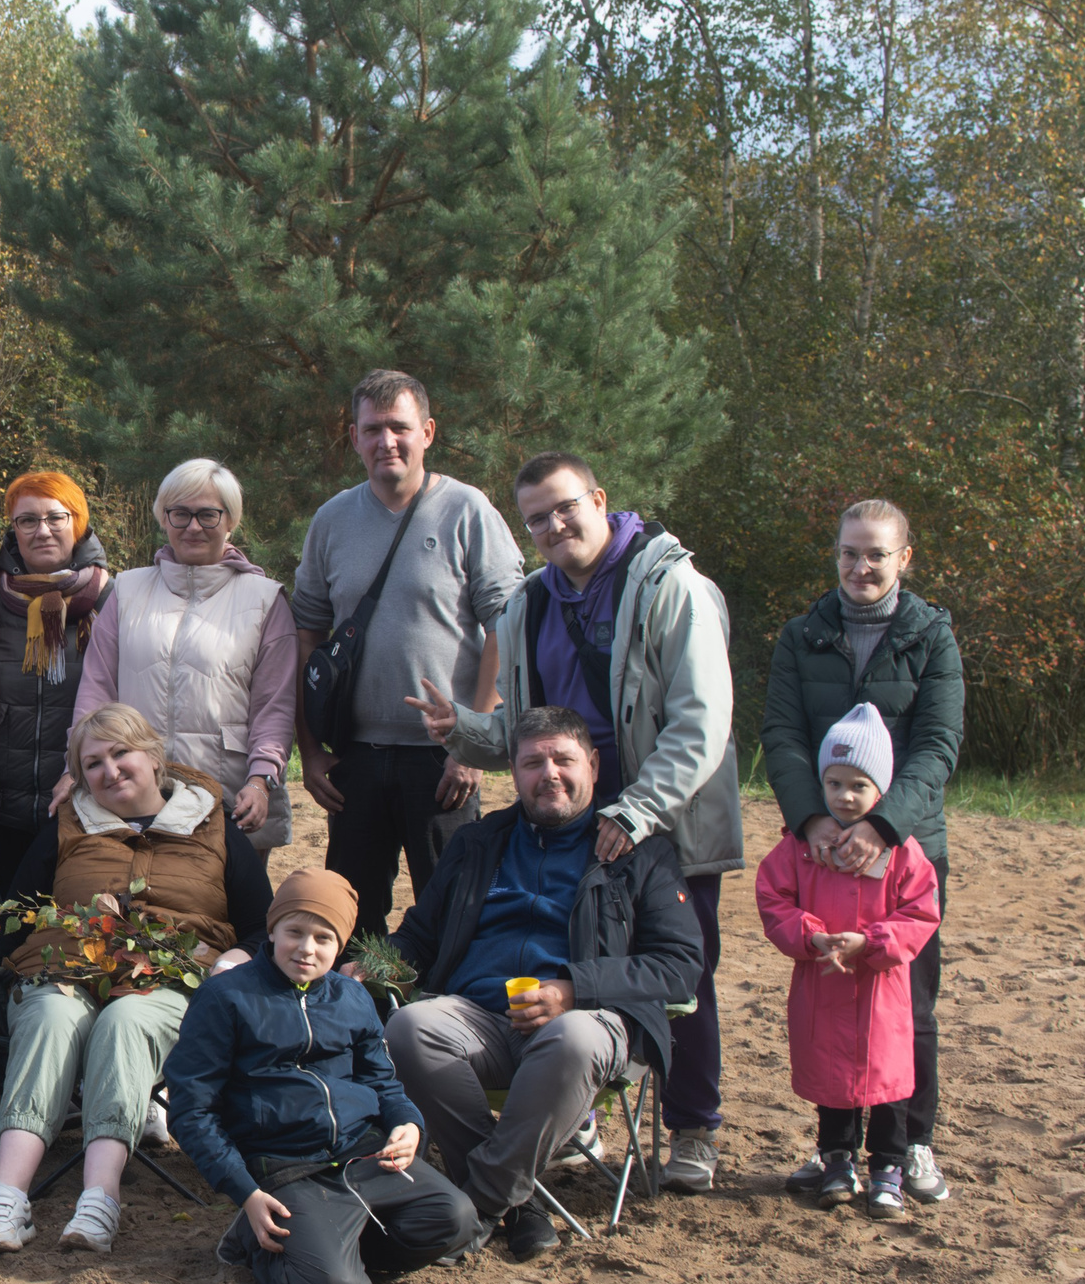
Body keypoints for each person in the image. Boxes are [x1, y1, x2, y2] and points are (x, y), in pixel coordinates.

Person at [409, 452, 742, 1195]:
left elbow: (701, 721)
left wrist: (641, 809)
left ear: (599, 499)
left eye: (565, 508)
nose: (554, 526)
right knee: (561, 949)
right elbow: (528, 733)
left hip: (664, 812)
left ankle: (692, 1128)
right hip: (570, 803)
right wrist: (461, 729)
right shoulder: (529, 602)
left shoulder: (669, 586)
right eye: (537, 518)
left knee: (677, 971)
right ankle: (568, 1118)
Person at [0, 704, 272, 1258]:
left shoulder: (215, 825)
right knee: (50, 1014)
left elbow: (261, 925)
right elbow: (20, 910)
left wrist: (235, 957)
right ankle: (6, 1197)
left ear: (154, 757)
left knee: (126, 1019)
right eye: (92, 763)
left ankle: (100, 1197)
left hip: (167, 980)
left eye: (121, 754)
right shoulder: (68, 824)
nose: (109, 771)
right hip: (65, 968)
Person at [382, 707, 703, 1259]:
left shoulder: (639, 851)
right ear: (513, 769)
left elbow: (679, 965)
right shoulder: (480, 841)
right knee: (411, 1025)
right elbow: (420, 933)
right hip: (477, 1018)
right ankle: (519, 1204)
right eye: (533, 762)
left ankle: (476, 1203)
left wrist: (573, 989)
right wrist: (375, 963)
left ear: (594, 765)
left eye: (563, 759)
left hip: (587, 1026)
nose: (548, 773)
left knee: (572, 1038)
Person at [760, 497, 964, 1207]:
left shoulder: (932, 635)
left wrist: (884, 827)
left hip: (905, 846)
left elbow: (937, 745)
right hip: (818, 846)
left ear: (904, 558)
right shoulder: (802, 635)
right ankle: (835, 1150)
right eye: (850, 552)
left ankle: (910, 1145)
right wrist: (812, 818)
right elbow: (781, 736)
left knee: (908, 1006)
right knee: (829, 997)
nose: (861, 566)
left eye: (876, 553)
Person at [163, 869, 482, 1284]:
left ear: (341, 945)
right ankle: (256, 1246)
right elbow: (191, 1109)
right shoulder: (225, 998)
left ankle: (331, 1248)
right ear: (272, 929)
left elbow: (381, 1079)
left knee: (457, 1219)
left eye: (324, 938)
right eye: (294, 931)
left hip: (363, 1153)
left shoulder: (352, 998)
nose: (306, 949)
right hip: (283, 1166)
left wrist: (407, 1122)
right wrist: (246, 1192)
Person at [292, 370, 524, 944]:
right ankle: (361, 1026)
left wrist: (473, 740)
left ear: (428, 432)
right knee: (350, 917)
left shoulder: (468, 510)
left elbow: (507, 627)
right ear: (354, 437)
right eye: (373, 430)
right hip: (356, 760)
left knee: (450, 915)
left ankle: (440, 1027)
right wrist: (311, 751)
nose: (386, 442)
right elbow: (306, 637)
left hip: (443, 763)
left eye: (399, 427)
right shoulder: (332, 520)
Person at [756, 705, 942, 1221]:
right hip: (822, 988)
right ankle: (836, 1160)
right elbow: (774, 897)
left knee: (887, 1083)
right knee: (833, 1080)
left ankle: (888, 1168)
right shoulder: (798, 846)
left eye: (858, 785)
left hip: (882, 992)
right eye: (834, 783)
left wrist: (871, 943)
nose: (844, 796)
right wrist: (812, 939)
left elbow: (921, 912)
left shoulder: (903, 852)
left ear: (879, 789)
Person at [74, 458, 295, 853]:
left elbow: (274, 706)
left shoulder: (264, 600)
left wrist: (261, 780)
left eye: (208, 515)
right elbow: (95, 691)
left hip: (229, 798)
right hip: (136, 796)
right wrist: (74, 768)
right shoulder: (127, 591)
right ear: (164, 518)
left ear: (230, 521)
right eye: (180, 514)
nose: (193, 527)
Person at [0, 472, 111, 890]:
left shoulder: (112, 601)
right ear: (13, 530)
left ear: (78, 523)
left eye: (57, 517)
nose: (43, 530)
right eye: (27, 520)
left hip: (86, 802)